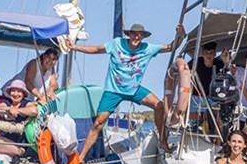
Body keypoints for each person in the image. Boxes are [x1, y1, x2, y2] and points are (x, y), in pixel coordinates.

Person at [67, 23, 185, 155]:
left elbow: (170, 47)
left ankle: (162, 141)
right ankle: (81, 157)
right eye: (134, 34)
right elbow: (96, 49)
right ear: (129, 35)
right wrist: (75, 47)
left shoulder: (147, 48)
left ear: (143, 37)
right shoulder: (116, 44)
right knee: (97, 125)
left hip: (134, 89)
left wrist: (180, 35)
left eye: (140, 35)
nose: (137, 37)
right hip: (113, 90)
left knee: (160, 106)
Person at [0, 79, 39, 155]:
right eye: (13, 91)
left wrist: (17, 110)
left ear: (23, 93)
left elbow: (34, 110)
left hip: (19, 145)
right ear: (9, 92)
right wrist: (10, 109)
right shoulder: (7, 102)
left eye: (19, 91)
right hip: (4, 139)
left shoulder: (26, 103)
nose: (15, 94)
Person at [188, 41, 225, 118]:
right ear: (202, 53)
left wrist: (226, 60)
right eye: (206, 52)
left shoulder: (219, 64)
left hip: (212, 98)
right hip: (195, 97)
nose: (208, 55)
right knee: (193, 118)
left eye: (211, 52)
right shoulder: (194, 63)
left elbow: (228, 70)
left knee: (218, 115)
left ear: (215, 54)